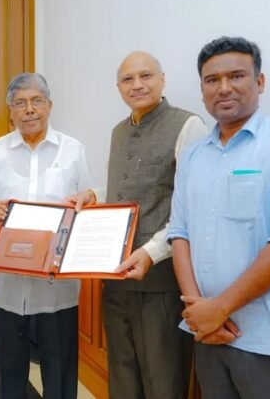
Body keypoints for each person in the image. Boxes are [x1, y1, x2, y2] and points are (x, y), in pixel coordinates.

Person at [168, 36, 270, 399]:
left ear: (260, 81)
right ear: (202, 89)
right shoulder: (193, 155)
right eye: (212, 80)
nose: (223, 88)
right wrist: (199, 310)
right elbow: (179, 233)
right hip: (207, 330)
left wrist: (218, 309)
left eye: (236, 76)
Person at [71, 51, 208, 398]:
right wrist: (94, 194)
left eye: (146, 76)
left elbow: (192, 206)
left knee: (163, 380)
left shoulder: (188, 125)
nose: (137, 85)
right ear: (118, 87)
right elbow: (127, 188)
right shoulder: (119, 131)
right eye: (128, 79)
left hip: (161, 278)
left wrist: (151, 252)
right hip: (116, 276)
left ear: (163, 79)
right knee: (122, 375)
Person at [0, 73, 96, 399]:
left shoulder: (73, 150)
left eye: (37, 101)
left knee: (60, 369)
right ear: (10, 111)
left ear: (50, 105)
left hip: (57, 284)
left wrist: (90, 197)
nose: (29, 109)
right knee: (8, 370)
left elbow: (93, 197)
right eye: (20, 103)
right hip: (8, 284)